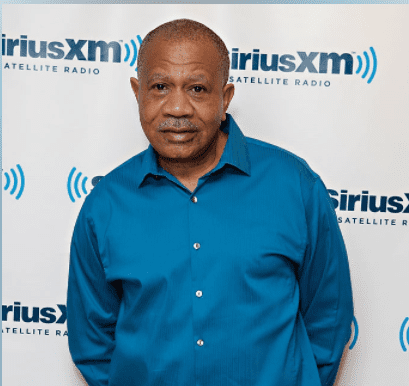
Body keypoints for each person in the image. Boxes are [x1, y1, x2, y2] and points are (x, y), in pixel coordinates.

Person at [67, 18, 354, 386]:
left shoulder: (294, 186)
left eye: (198, 89)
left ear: (225, 97)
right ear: (138, 92)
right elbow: (93, 342)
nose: (177, 109)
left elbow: (327, 317)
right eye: (159, 87)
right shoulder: (105, 205)